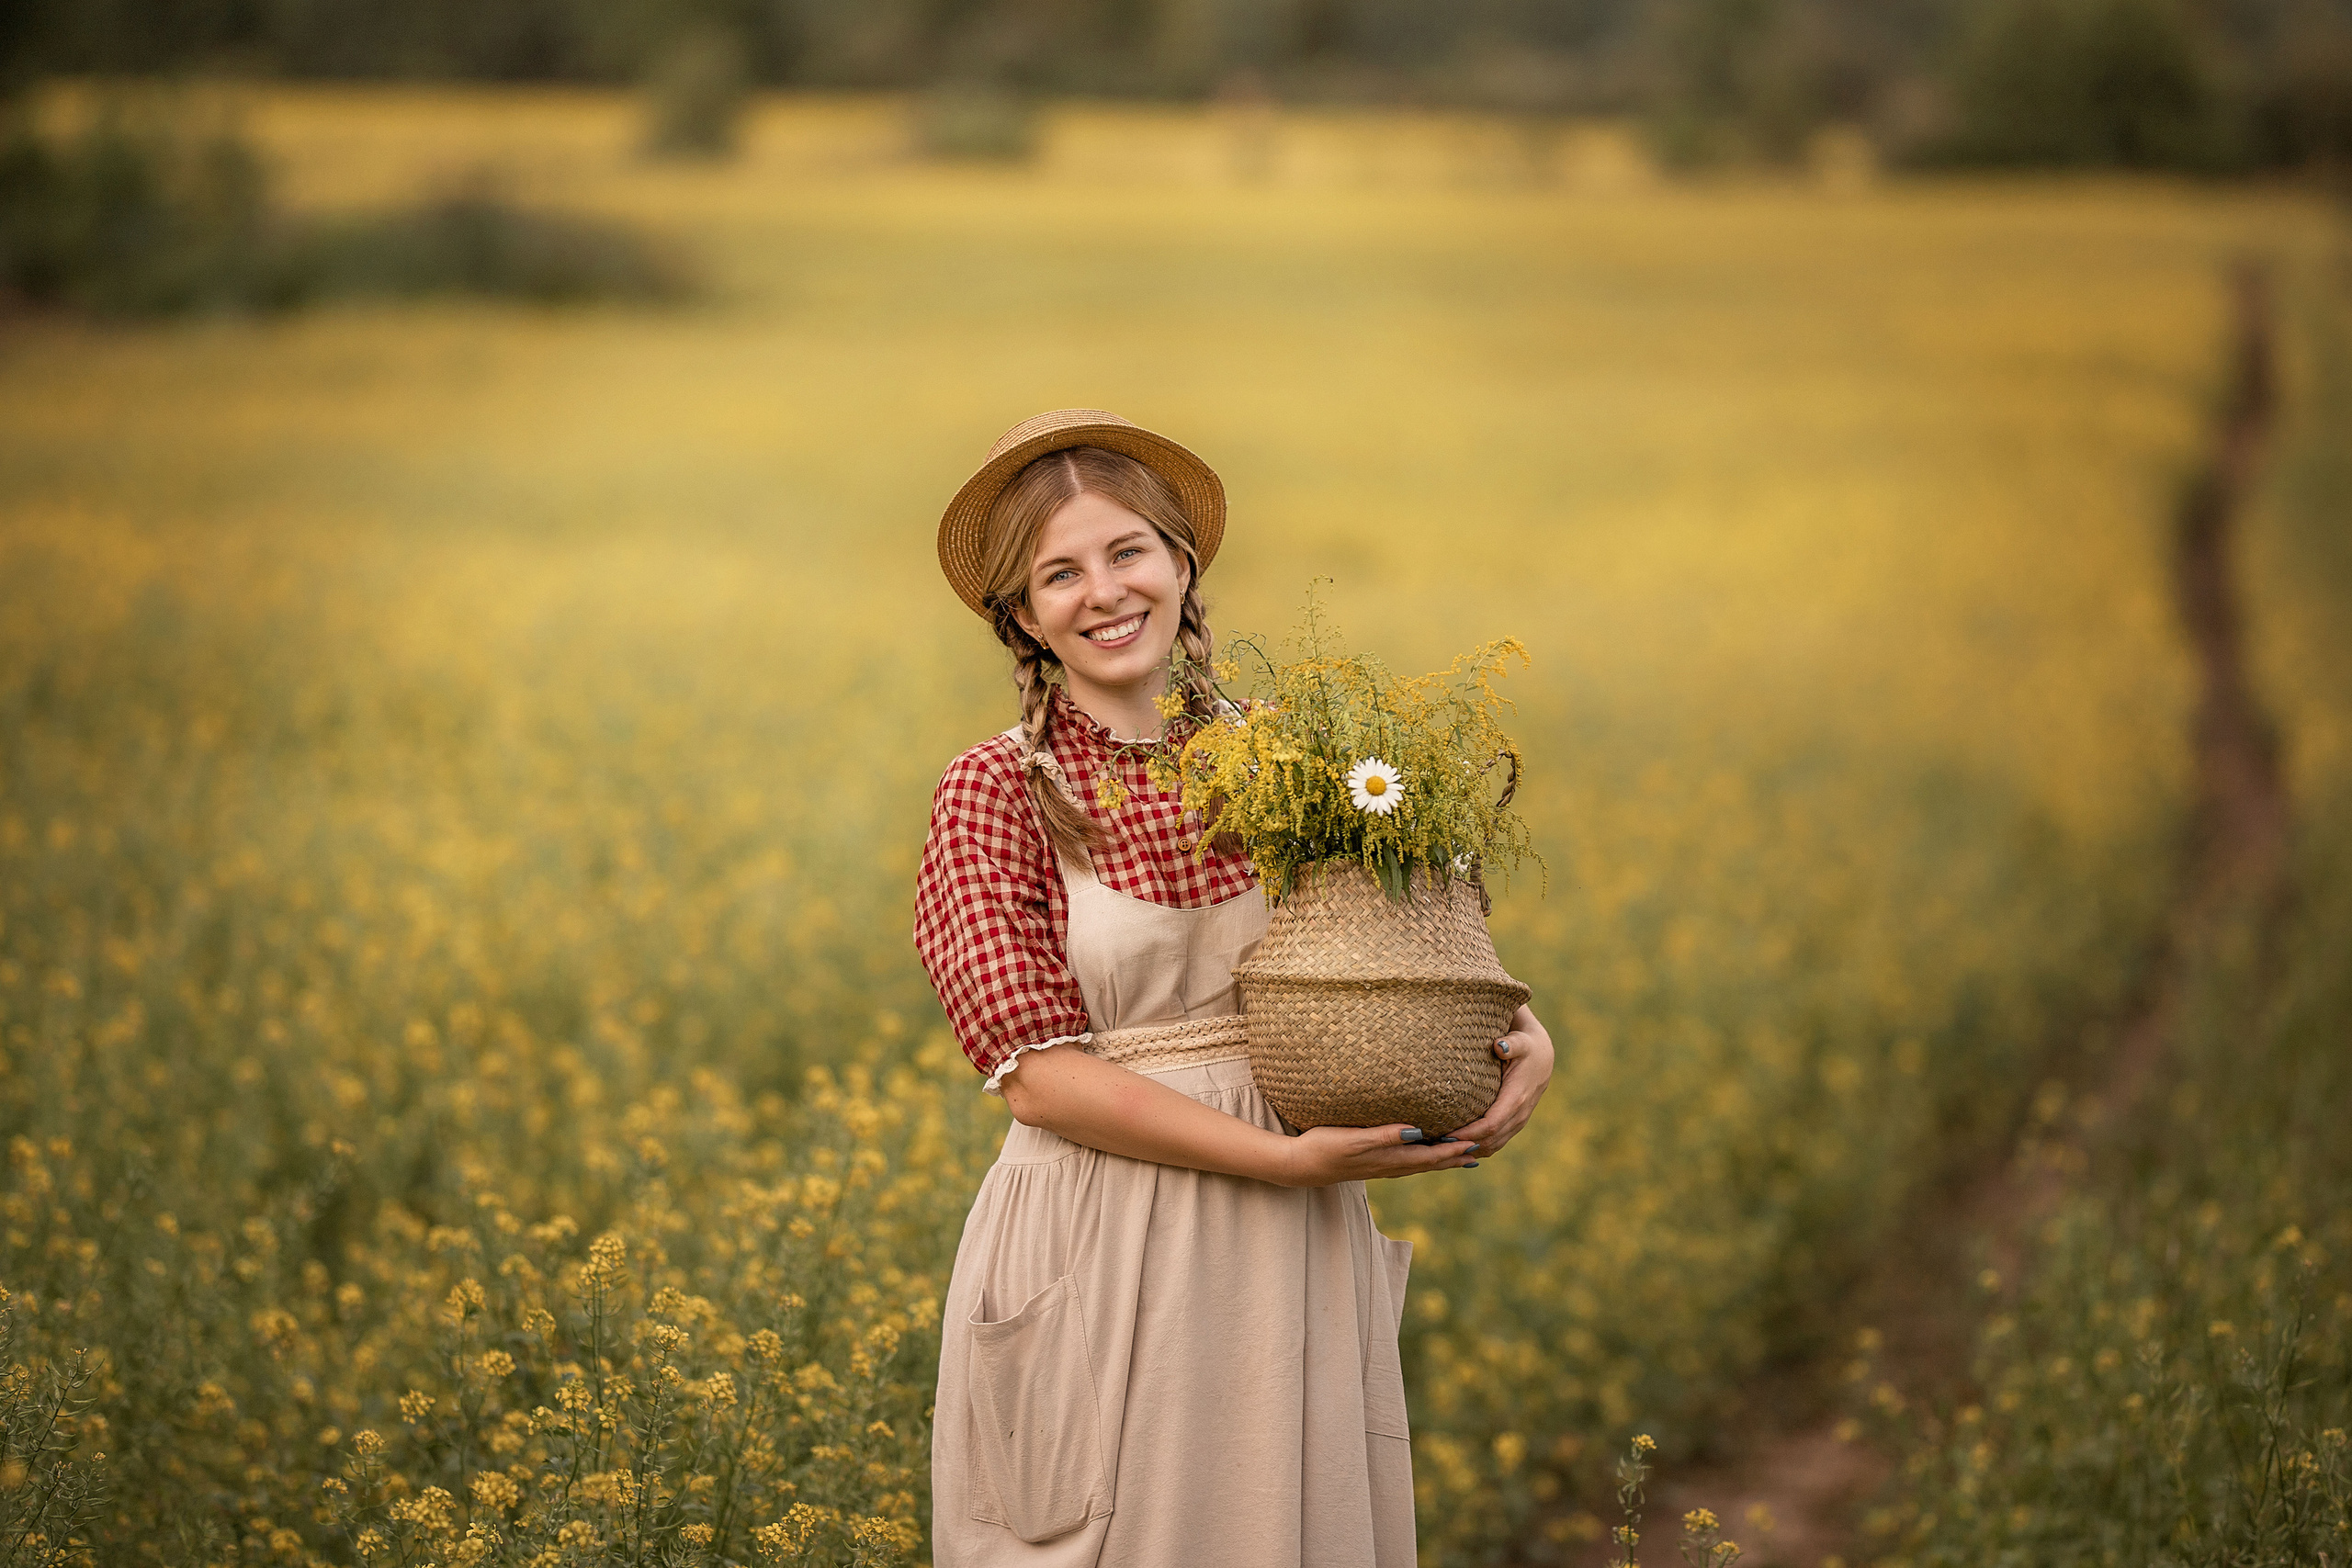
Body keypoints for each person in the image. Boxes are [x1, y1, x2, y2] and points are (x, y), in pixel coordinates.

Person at [913, 409, 1555, 1567]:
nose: (1102, 592)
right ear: (1018, 613)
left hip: (1289, 1243)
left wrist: (1520, 1036)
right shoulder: (994, 792)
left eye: (1126, 553)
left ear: (1180, 563)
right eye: (1057, 574)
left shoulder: (1297, 762)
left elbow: (1412, 953)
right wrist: (1283, 1162)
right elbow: (1042, 1084)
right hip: (1099, 1235)